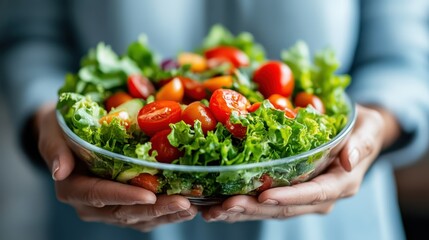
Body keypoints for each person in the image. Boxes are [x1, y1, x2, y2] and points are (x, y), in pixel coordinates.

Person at [1, 0, 428, 239]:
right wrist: (47, 116)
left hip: (331, 226)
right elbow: (30, 35)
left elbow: (406, 53)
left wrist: (375, 128)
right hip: (113, 217)